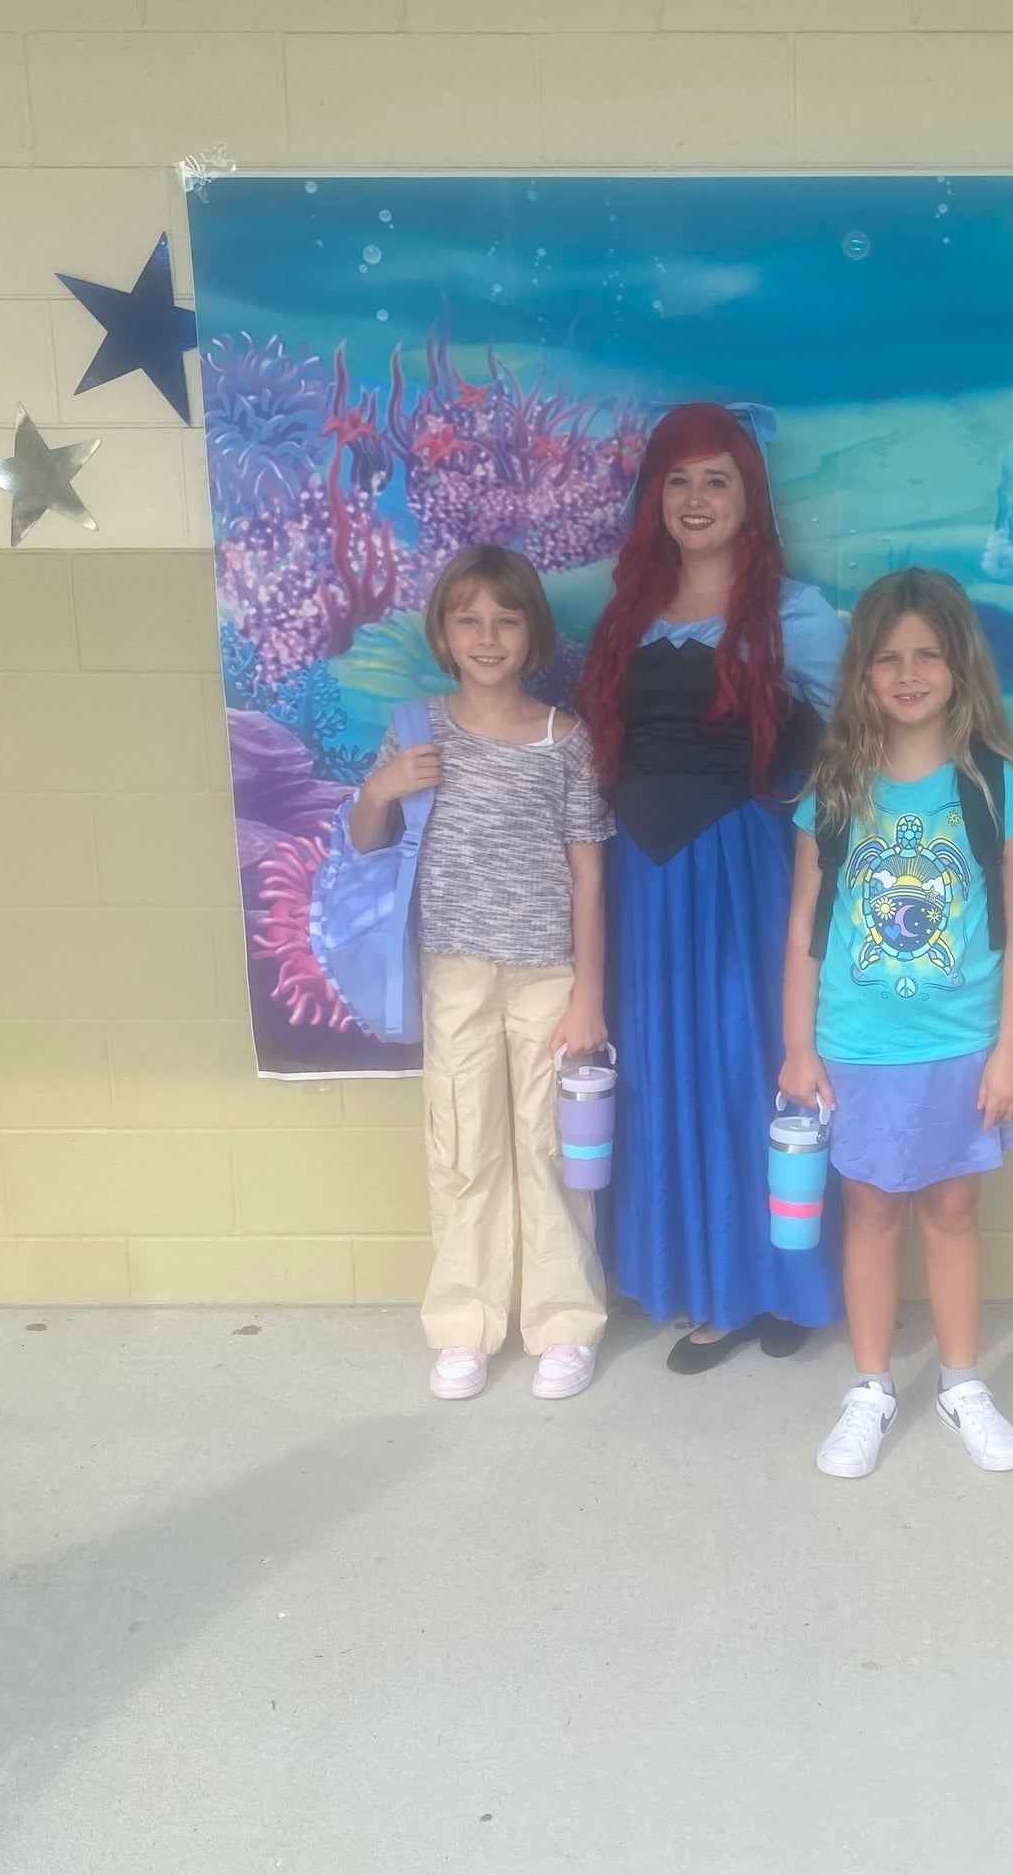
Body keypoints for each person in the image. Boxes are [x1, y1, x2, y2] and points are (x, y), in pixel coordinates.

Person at [579, 403, 846, 1371]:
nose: (695, 499)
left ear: (749, 497)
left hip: (743, 875)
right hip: (641, 884)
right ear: (654, 496)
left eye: (717, 480)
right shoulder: (626, 615)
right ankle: (707, 1285)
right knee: (665, 1077)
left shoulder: (795, 616)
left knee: (751, 1072)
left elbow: (857, 738)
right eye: (677, 480)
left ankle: (778, 1287)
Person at [780, 567, 1013, 1478]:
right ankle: (870, 1387)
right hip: (857, 1049)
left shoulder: (998, 790)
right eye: (887, 658)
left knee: (954, 1212)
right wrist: (798, 1047)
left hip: (963, 1046)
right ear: (861, 673)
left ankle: (962, 1384)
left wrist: (1012, 1051)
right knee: (868, 1212)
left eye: (927, 655)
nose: (907, 674)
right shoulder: (834, 793)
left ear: (960, 667)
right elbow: (805, 928)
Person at [350, 545, 612, 1403]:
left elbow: (588, 877)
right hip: (454, 970)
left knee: (549, 1148)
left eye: (506, 619)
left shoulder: (565, 740)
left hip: (548, 977)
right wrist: (380, 789)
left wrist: (588, 996)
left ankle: (564, 1323)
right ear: (444, 632)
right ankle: (464, 1324)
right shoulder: (417, 730)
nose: (488, 636)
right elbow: (366, 844)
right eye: (469, 620)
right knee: (464, 1146)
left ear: (533, 633)